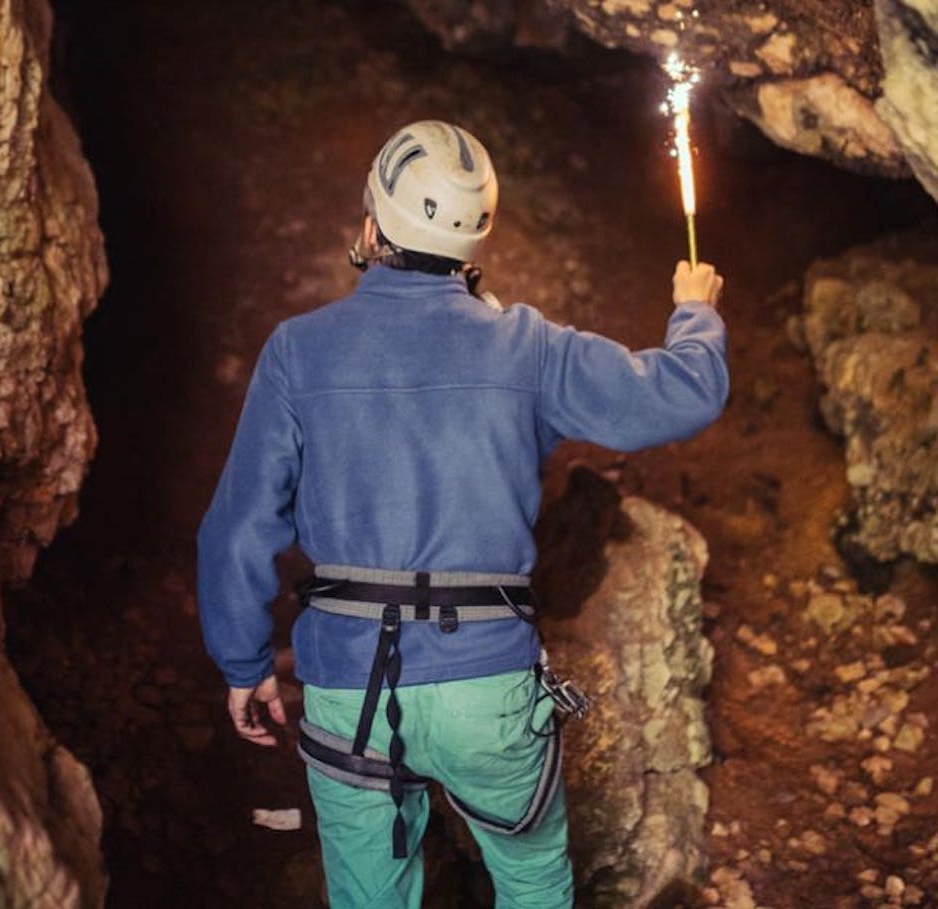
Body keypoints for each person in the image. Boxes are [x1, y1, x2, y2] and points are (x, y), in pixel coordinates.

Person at [197, 120, 728, 908]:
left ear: (371, 224)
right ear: (474, 245)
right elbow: (685, 392)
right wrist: (694, 312)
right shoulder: (527, 347)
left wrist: (243, 664)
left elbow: (239, 528)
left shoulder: (296, 351)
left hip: (350, 685)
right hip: (489, 683)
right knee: (532, 881)